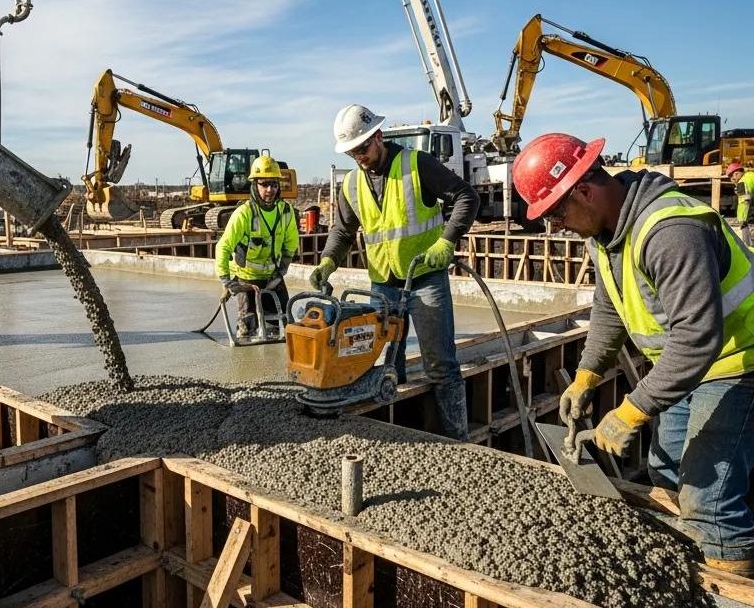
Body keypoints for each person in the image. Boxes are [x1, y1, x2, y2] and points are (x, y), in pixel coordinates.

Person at [512, 132, 754, 576]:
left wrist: (632, 410)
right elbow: (610, 309)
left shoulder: (671, 231)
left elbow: (698, 338)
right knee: (665, 470)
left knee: (709, 496)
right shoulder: (606, 232)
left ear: (584, 191)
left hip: (740, 362)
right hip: (689, 368)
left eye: (556, 213)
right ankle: (691, 563)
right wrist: (588, 373)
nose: (555, 227)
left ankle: (729, 584)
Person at [310, 104, 480, 440]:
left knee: (440, 365)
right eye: (351, 152)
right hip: (382, 287)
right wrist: (329, 260)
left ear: (378, 136)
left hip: (424, 280)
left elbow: (466, 197)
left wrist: (447, 242)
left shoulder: (417, 164)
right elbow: (343, 232)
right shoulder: (351, 185)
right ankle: (399, 438)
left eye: (362, 148)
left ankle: (458, 439)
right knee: (386, 365)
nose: (359, 157)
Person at [214, 156, 298, 338]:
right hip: (246, 279)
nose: (270, 190)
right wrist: (226, 281)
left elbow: (291, 245)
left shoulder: (285, 211)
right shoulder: (244, 214)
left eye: (274, 185)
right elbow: (223, 247)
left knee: (277, 324)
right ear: (255, 185)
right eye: (265, 184)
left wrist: (281, 272)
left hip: (272, 278)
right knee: (247, 327)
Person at [727, 161, 754, 245]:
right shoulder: (750, 175)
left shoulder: (742, 183)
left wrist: (742, 220)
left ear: (736, 173)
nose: (732, 180)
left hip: (750, 217)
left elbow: (744, 203)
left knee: (749, 243)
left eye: (731, 177)